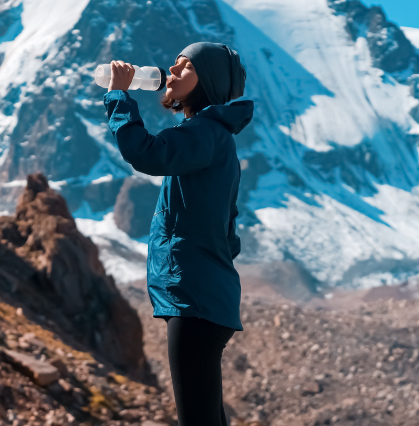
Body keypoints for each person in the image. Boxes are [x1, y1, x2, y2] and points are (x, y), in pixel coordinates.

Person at [103, 42, 254, 426]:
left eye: (184, 68)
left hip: (196, 300)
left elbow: (148, 153)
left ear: (208, 82)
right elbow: (227, 229)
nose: (170, 72)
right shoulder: (213, 137)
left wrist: (119, 94)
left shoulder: (205, 132)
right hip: (204, 297)